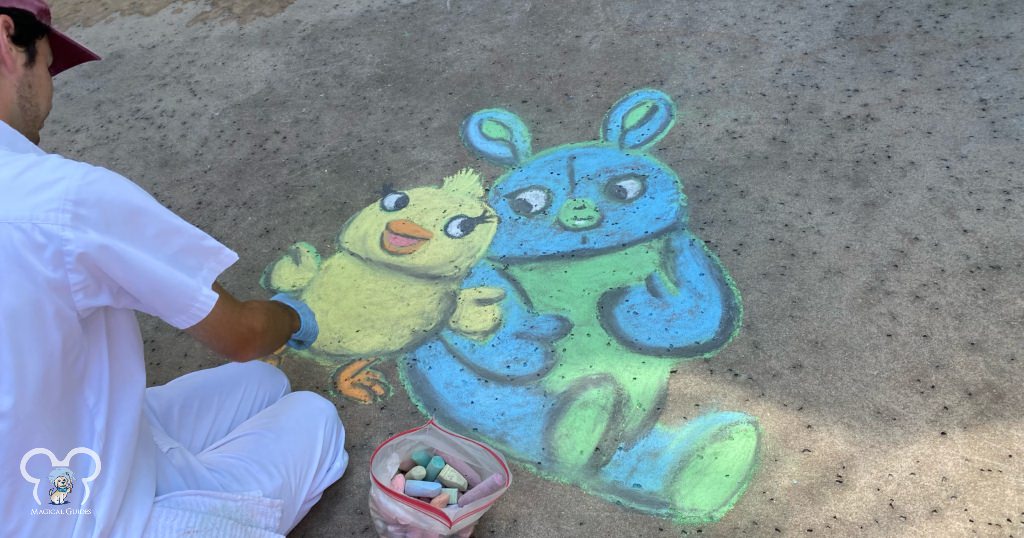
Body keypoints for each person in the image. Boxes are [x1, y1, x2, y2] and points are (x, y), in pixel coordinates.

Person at [0, 1, 349, 536]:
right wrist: (290, 317)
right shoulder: (61, 199)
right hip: (86, 520)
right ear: (6, 40)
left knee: (261, 383)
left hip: (53, 452)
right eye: (46, 65)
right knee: (314, 417)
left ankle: (172, 472)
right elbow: (244, 335)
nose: (48, 94)